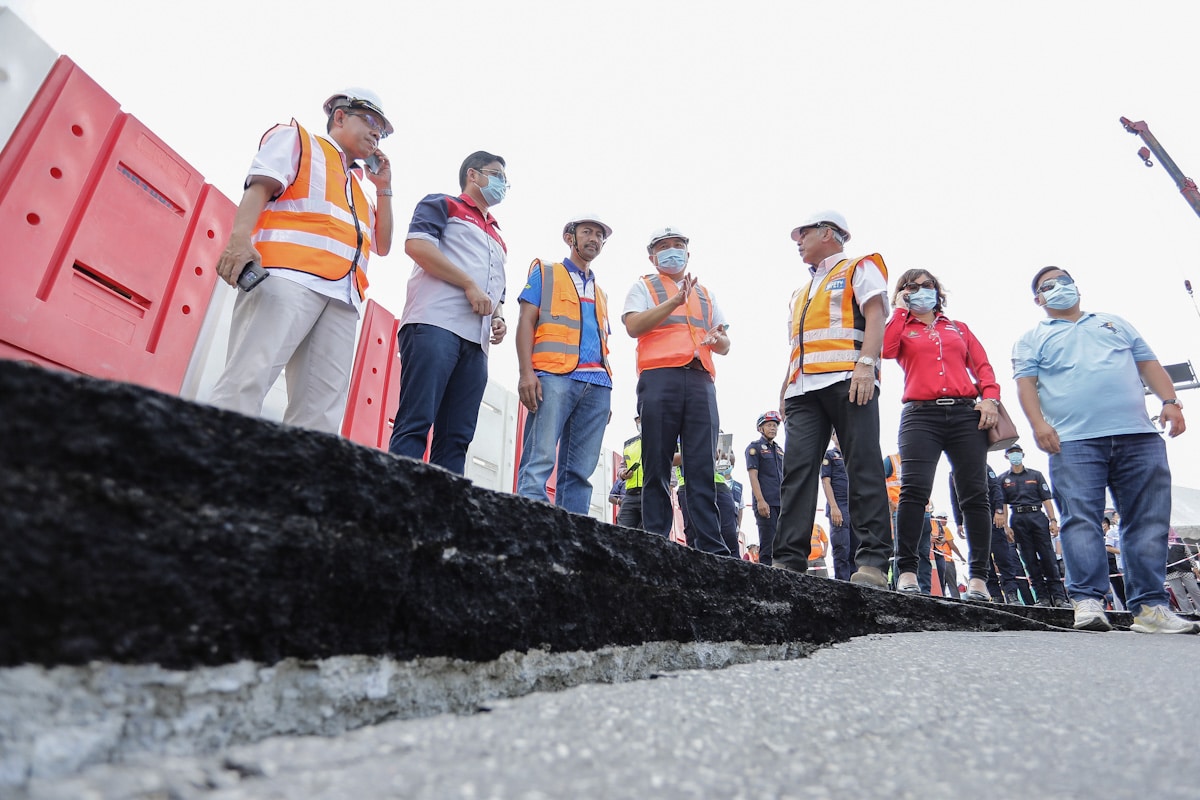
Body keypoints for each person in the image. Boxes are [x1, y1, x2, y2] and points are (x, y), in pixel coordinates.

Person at [1013, 265, 1198, 634]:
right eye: (1049, 285)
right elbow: (1026, 385)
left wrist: (1170, 401)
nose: (1060, 288)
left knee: (1147, 521)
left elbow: (1149, 365)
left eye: (1065, 280)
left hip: (1138, 436)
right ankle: (1087, 600)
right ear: (1039, 299)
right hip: (1074, 440)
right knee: (1081, 518)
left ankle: (1150, 608)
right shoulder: (1031, 339)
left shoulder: (1115, 324)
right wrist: (1038, 426)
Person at [209, 88, 395, 433]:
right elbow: (259, 187)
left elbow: (383, 245)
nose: (376, 133)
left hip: (343, 296)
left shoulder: (360, 189)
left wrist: (383, 188)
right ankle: (209, 471)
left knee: (321, 412)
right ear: (340, 116)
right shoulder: (298, 140)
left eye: (381, 131)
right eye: (370, 121)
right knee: (248, 378)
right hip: (288, 279)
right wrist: (238, 241)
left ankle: (296, 485)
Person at [773, 211, 893, 589]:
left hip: (848, 379)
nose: (798, 240)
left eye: (804, 232)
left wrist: (867, 363)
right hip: (803, 390)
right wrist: (785, 385)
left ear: (829, 233)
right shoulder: (801, 291)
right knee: (797, 472)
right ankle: (787, 560)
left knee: (863, 466)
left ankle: (872, 562)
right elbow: (799, 345)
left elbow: (876, 314)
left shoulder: (858, 267)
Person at [882, 268, 998, 602]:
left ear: (938, 290)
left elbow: (983, 367)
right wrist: (901, 309)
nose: (920, 290)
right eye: (911, 287)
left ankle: (978, 579)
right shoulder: (901, 328)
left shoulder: (958, 329)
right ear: (902, 293)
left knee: (975, 495)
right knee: (914, 491)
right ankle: (905, 571)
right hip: (921, 415)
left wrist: (989, 398)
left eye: (926, 285)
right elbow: (887, 350)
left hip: (965, 414)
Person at [388, 152, 508, 474]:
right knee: (416, 420)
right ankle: (395, 504)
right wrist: (468, 284)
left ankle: (440, 514)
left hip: (477, 342)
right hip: (435, 323)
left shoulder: (498, 236)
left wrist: (498, 317)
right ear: (473, 174)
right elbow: (417, 245)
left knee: (457, 437)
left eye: (505, 180)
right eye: (497, 175)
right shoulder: (442, 204)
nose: (503, 184)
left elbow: (497, 290)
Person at [622, 227, 731, 555]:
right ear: (652, 256)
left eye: (678, 245)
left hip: (700, 381)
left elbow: (725, 343)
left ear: (688, 251)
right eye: (664, 247)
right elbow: (633, 326)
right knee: (657, 461)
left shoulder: (706, 294)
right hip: (659, 379)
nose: (672, 251)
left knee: (701, 466)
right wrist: (673, 301)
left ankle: (711, 547)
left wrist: (717, 339)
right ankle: (656, 540)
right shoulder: (644, 286)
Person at [514, 215, 614, 514]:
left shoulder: (601, 292)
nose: (593, 238)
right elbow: (525, 323)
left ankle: (573, 535)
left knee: (580, 472)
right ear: (570, 237)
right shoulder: (546, 273)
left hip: (597, 385)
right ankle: (531, 523)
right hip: (554, 376)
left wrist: (605, 391)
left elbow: (601, 344)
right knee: (539, 459)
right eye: (587, 232)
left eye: (599, 235)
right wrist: (525, 373)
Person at [998, 444, 1070, 608]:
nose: (1014, 455)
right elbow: (1002, 504)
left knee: (1048, 558)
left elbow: (1046, 499)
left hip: (1037, 516)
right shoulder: (1003, 479)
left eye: (1017, 452)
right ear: (1006, 457)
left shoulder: (1035, 475)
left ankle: (1059, 597)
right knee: (1029, 560)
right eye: (1011, 453)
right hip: (1018, 518)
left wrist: (1053, 520)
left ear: (1023, 454)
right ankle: (1042, 598)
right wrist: (1006, 526)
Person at [745, 411, 784, 566]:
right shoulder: (754, 448)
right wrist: (761, 501)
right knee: (768, 545)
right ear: (760, 428)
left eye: (775, 425)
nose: (773, 428)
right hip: (765, 502)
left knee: (782, 545)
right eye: (769, 425)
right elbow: (753, 476)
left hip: (780, 502)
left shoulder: (780, 450)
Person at [820, 435, 857, 581]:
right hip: (839, 504)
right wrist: (834, 507)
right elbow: (826, 482)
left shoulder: (853, 455)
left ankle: (856, 585)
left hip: (855, 505)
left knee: (856, 549)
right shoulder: (829, 455)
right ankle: (842, 584)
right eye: (836, 432)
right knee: (842, 548)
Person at [616, 416, 644, 529]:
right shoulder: (628, 444)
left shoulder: (659, 440)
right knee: (621, 533)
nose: (639, 422)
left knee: (650, 535)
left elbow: (670, 468)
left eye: (641, 419)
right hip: (630, 494)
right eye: (637, 420)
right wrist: (622, 473)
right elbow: (622, 466)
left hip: (651, 493)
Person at [930, 514, 965, 598]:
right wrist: (961, 557)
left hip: (936, 558)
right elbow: (952, 545)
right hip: (947, 560)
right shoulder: (945, 529)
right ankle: (957, 602)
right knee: (952, 584)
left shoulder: (936, 528)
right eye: (945, 518)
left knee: (940, 585)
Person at [1102, 515, 1126, 610]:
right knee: (1120, 589)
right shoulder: (1110, 533)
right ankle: (1126, 607)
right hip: (1113, 565)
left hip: (1119, 563)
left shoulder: (1121, 530)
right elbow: (1108, 547)